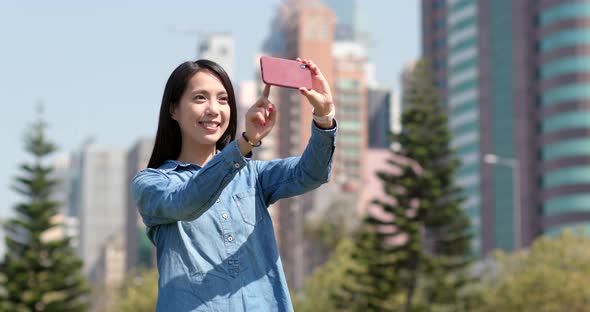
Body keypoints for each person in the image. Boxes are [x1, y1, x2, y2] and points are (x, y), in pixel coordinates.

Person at [131, 58, 336, 311]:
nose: (214, 109)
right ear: (174, 109)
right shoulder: (152, 183)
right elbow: (187, 201)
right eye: (200, 98)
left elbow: (312, 173)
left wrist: (324, 117)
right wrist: (245, 143)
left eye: (223, 99)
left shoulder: (253, 175)